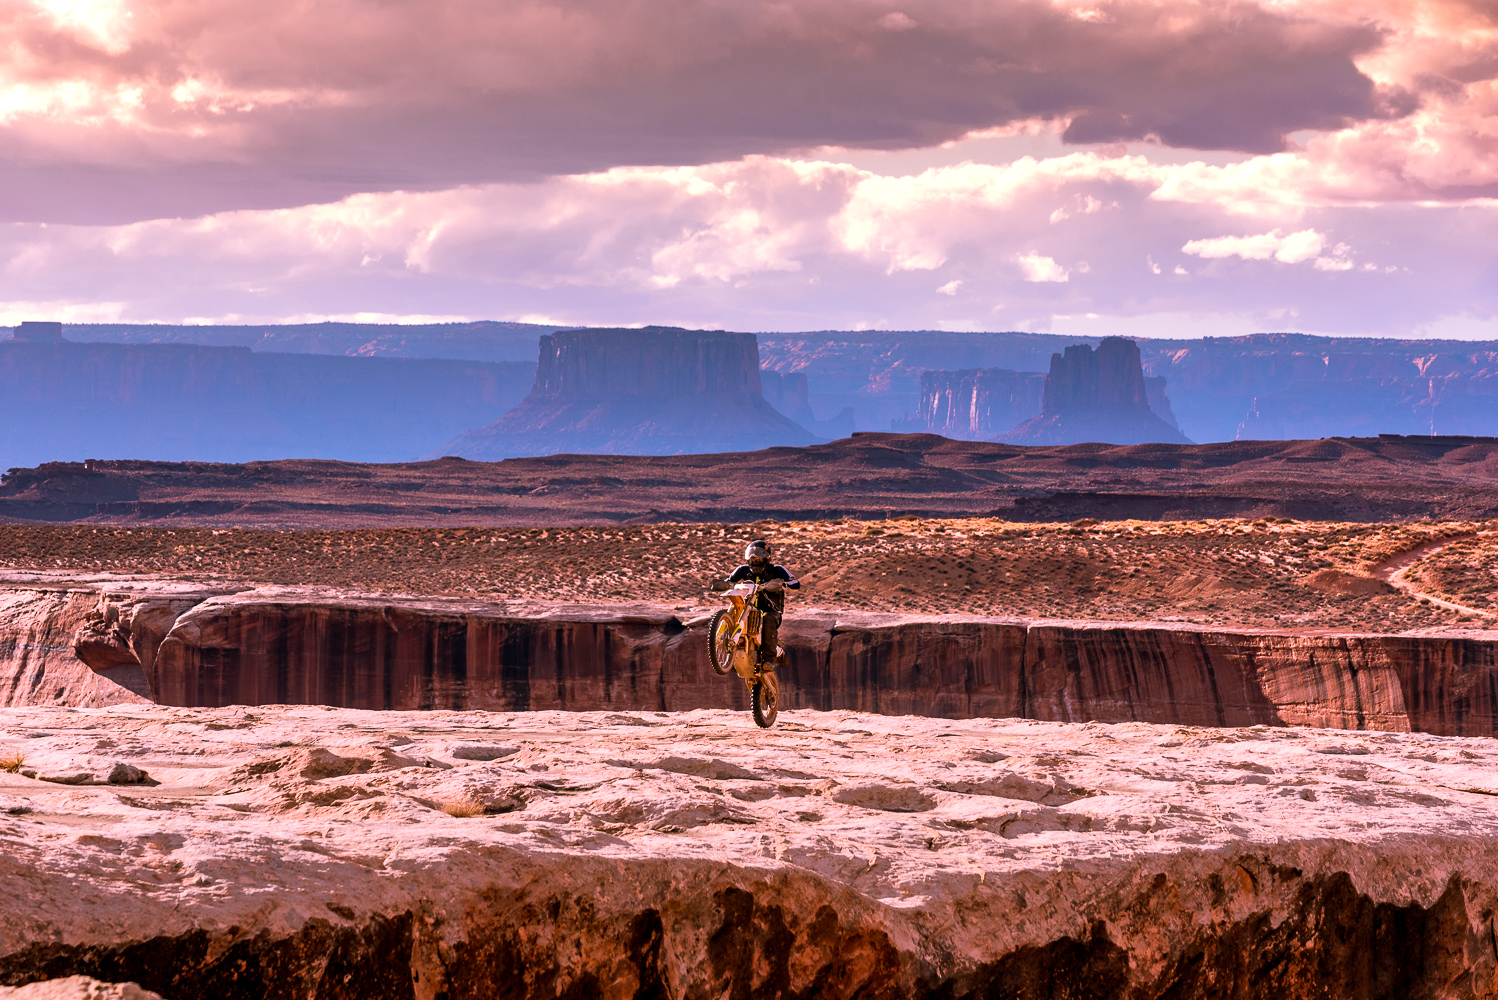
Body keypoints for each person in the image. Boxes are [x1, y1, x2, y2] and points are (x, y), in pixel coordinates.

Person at [725, 539, 800, 667]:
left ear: (767, 557)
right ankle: (727, 654)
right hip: (748, 609)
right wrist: (724, 585)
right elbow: (729, 580)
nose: (755, 560)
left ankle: (769, 659)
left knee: (767, 620)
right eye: (752, 557)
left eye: (759, 557)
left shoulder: (777, 570)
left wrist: (783, 584)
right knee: (735, 615)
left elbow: (796, 583)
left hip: (771, 610)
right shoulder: (743, 570)